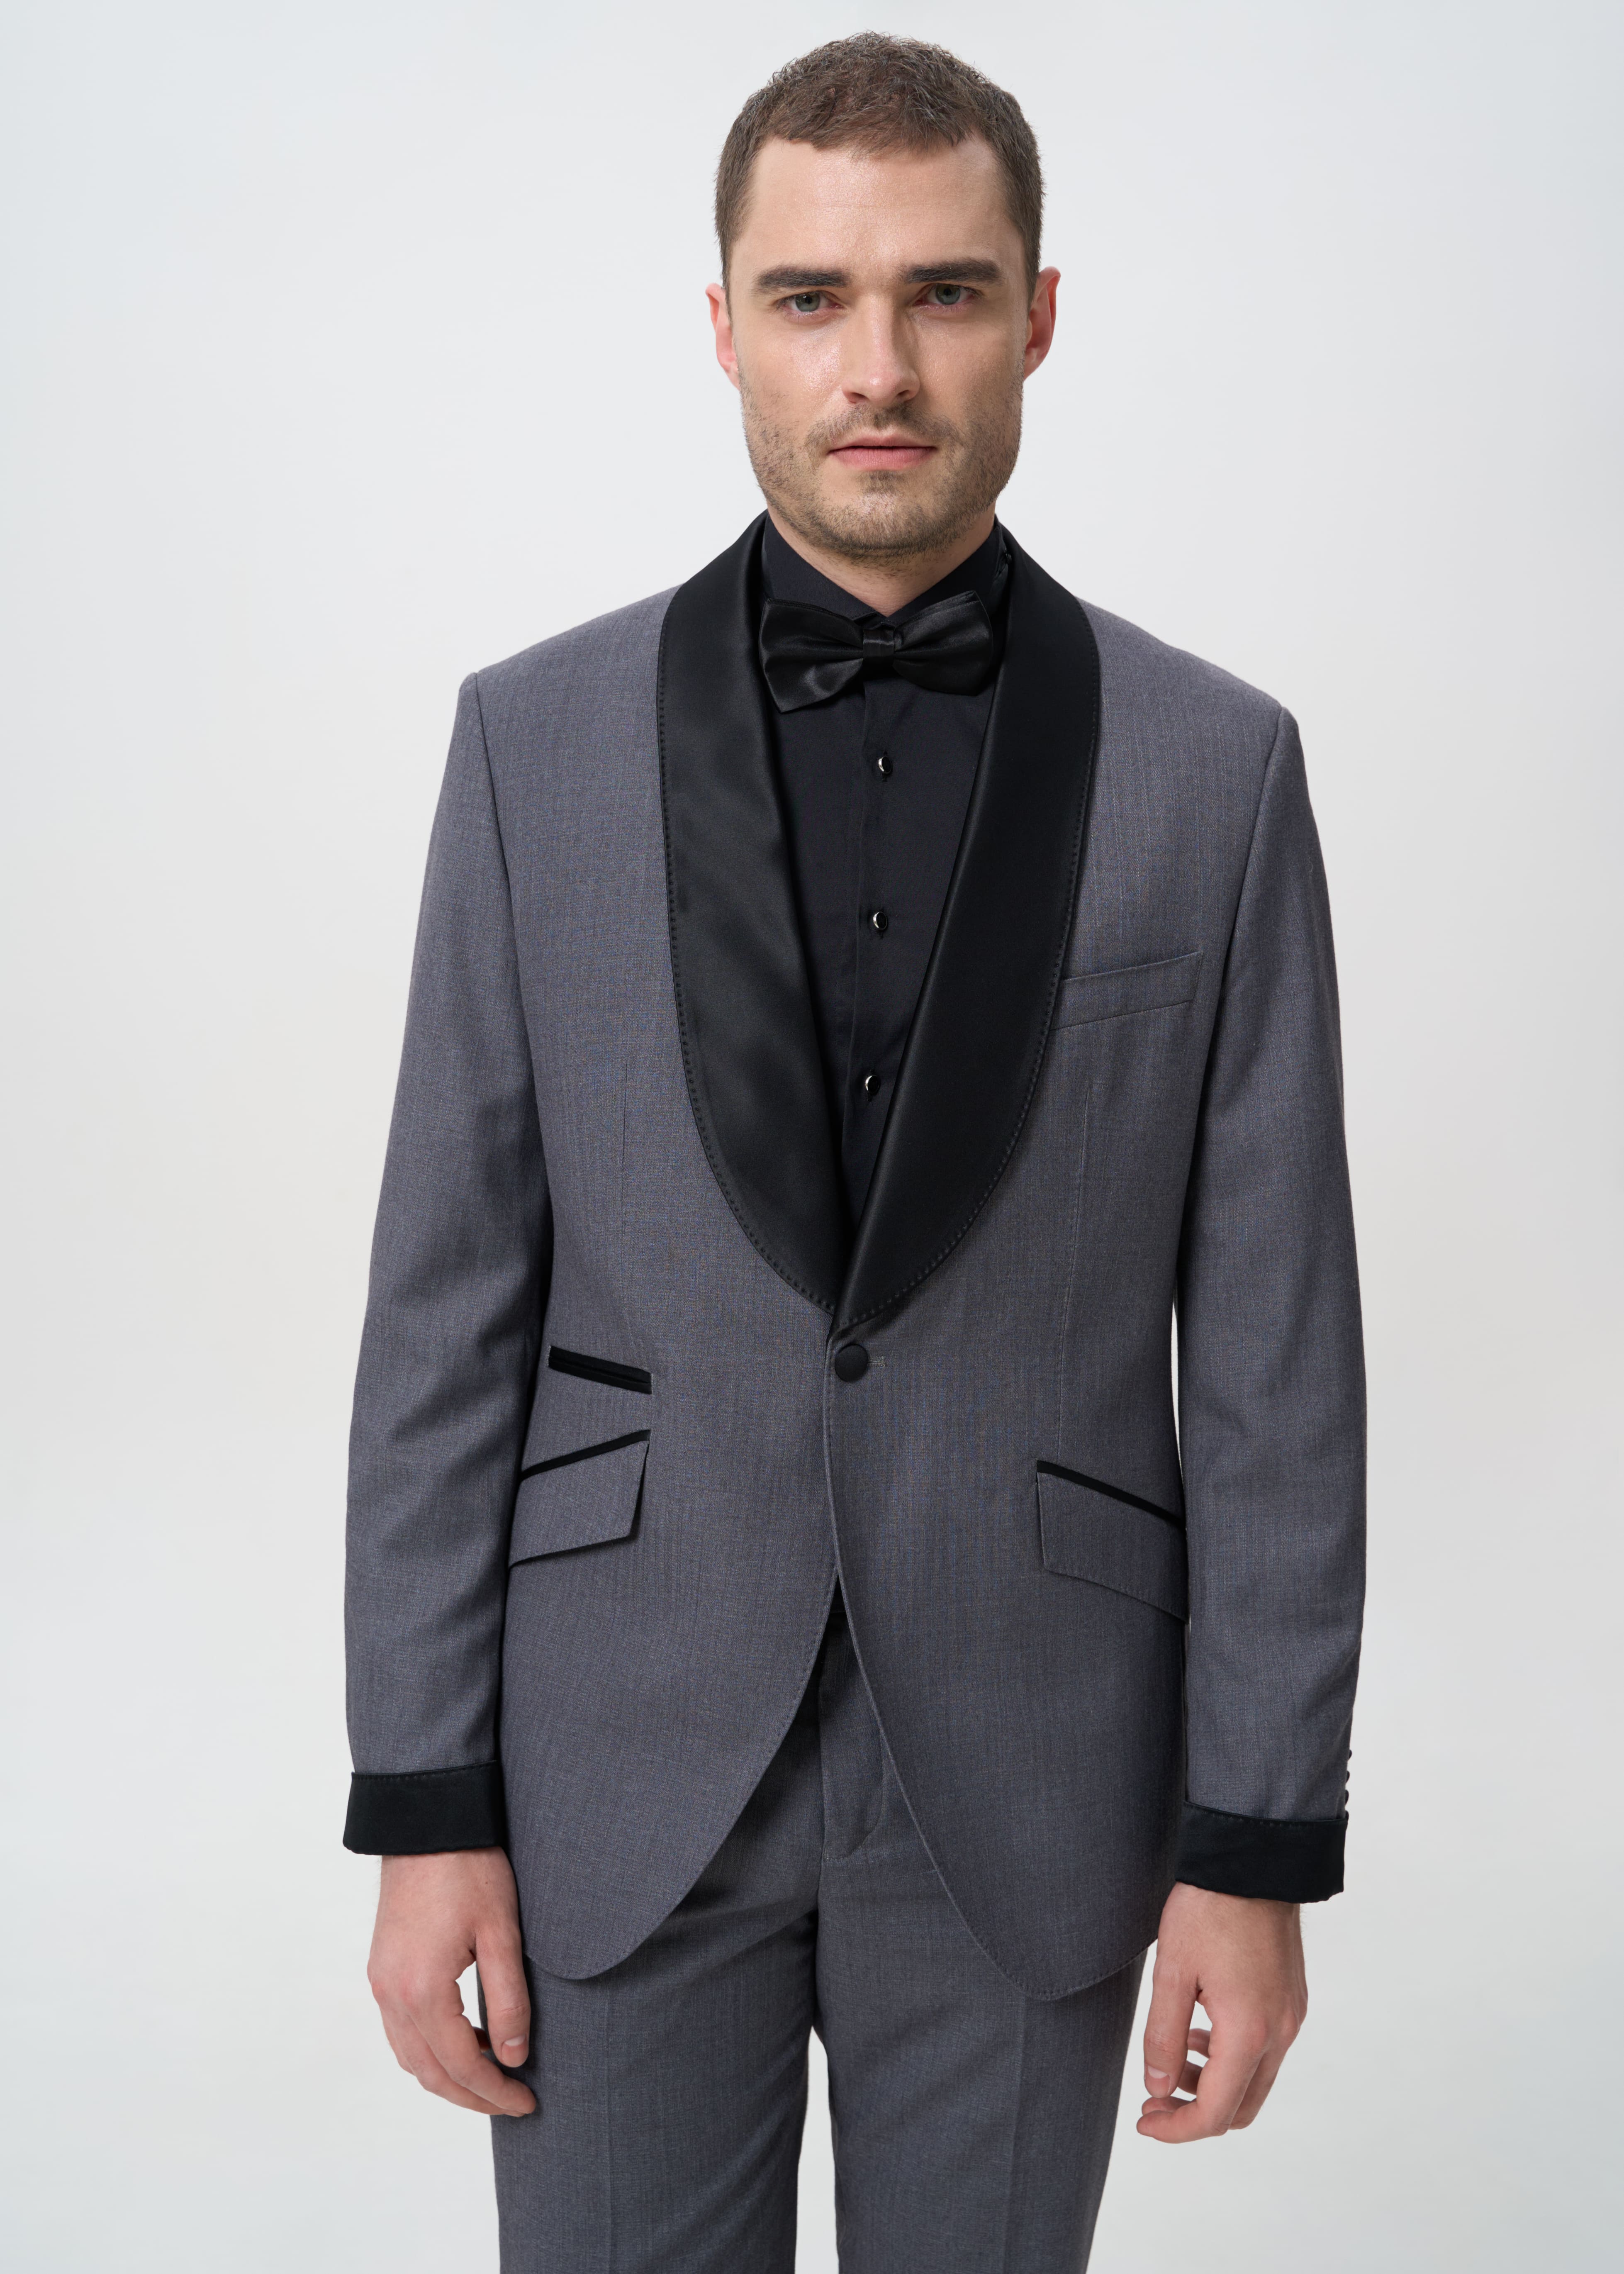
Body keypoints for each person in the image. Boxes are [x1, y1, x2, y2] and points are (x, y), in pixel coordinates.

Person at [343, 32, 1365, 2272]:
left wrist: (1258, 1843)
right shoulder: (531, 747)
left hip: (1039, 1769)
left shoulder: (1216, 771)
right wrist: (421, 1805)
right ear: (724, 324)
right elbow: (445, 1309)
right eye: (811, 297)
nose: (877, 367)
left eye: (944, 293)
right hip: (614, 1762)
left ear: (1040, 316)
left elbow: (1278, 1359)